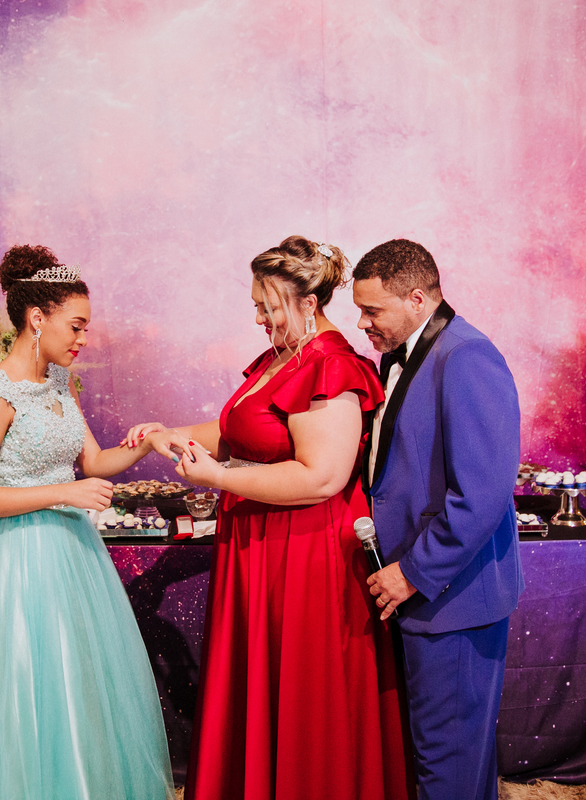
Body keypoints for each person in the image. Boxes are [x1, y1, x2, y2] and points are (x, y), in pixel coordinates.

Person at [126, 236, 413, 800]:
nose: (259, 317)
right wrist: (171, 433)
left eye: (268, 306)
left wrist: (218, 477)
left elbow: (321, 478)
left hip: (304, 550)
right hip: (262, 542)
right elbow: (239, 430)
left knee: (303, 691)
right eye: (257, 305)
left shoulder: (331, 365)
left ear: (308, 303)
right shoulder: (285, 355)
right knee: (260, 684)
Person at [0, 245, 175, 800]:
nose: (83, 339)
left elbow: (94, 462)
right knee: (13, 683)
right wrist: (64, 492)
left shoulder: (60, 382)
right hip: (5, 558)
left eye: (86, 328)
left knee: (71, 682)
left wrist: (146, 442)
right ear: (37, 318)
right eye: (76, 326)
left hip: (68, 556)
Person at [353, 239, 523, 800]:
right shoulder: (404, 353)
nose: (362, 323)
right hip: (426, 595)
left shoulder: (467, 356)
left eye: (372, 310)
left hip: (452, 597)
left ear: (417, 299)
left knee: (447, 762)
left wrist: (412, 572)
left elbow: (481, 495)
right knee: (450, 758)